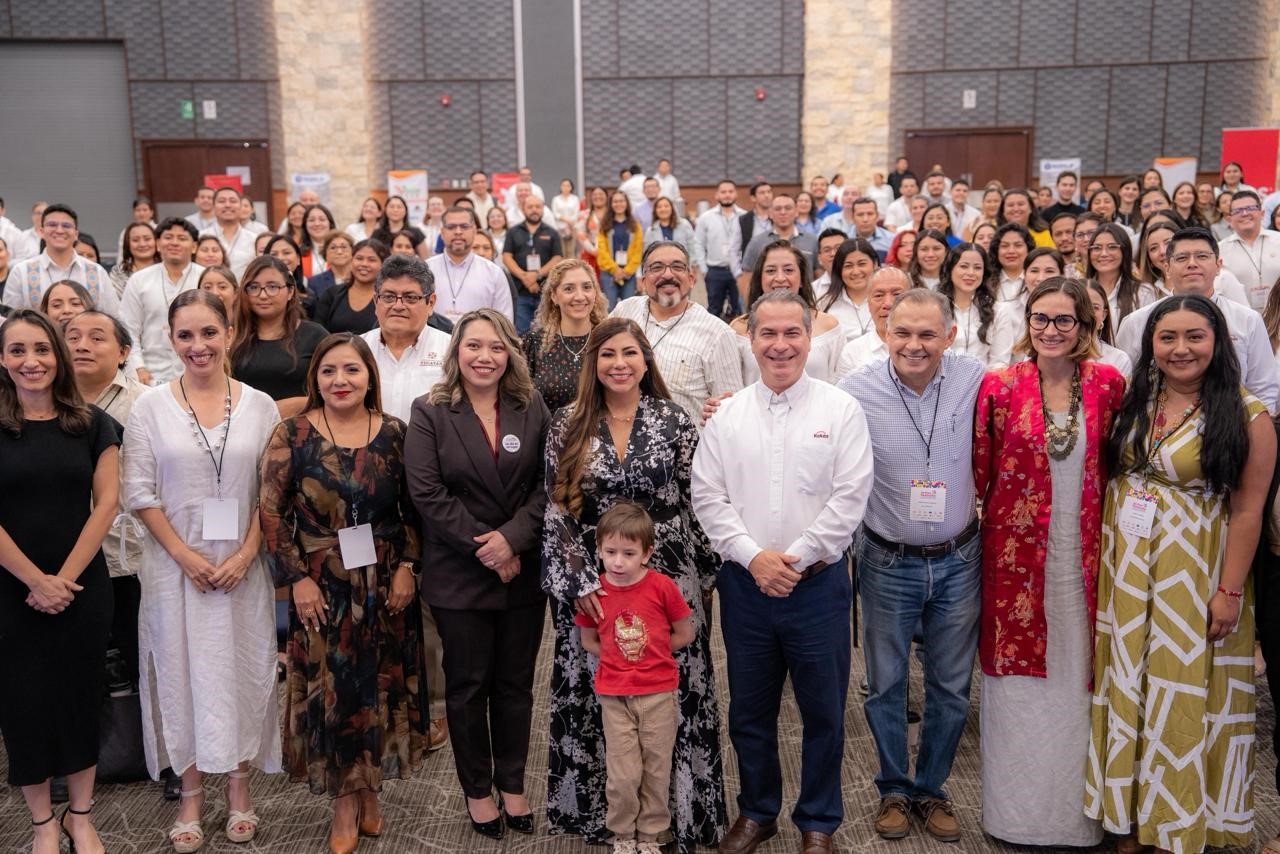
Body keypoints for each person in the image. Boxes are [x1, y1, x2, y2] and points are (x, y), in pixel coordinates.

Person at [1087, 294, 1276, 853]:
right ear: (1151, 343)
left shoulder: (1248, 416)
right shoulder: (1136, 398)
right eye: (1167, 337)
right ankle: (1129, 816)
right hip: (1126, 569)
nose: (1180, 349)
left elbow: (1248, 511)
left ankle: (1175, 822)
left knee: (1181, 691)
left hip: (1193, 572)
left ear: (1217, 342)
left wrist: (1229, 592)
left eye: (1194, 336)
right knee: (1129, 682)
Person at [692, 290, 873, 854]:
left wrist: (792, 558)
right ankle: (758, 811)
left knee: (824, 710)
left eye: (791, 333)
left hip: (817, 585)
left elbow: (850, 498)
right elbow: (708, 496)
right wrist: (755, 558)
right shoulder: (727, 415)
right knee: (749, 710)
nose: (779, 345)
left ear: (809, 337)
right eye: (767, 334)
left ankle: (819, 821)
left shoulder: (839, 409)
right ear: (750, 342)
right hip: (746, 586)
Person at [543, 316, 727, 851]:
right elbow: (555, 510)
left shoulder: (674, 420)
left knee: (675, 693)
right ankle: (606, 816)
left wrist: (708, 575)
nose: (618, 364)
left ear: (646, 361)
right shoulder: (567, 423)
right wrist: (578, 583)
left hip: (669, 577)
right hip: (596, 581)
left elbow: (701, 501)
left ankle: (681, 817)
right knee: (599, 693)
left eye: (629, 353)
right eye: (606, 355)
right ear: (592, 363)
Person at [122, 289, 281, 852]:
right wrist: (185, 556)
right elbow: (137, 491)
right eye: (185, 335)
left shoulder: (259, 405)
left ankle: (239, 791)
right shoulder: (149, 406)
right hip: (174, 571)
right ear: (171, 339)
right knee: (181, 674)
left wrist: (243, 554)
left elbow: (271, 492)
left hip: (243, 569)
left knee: (238, 667)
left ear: (228, 334)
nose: (198, 346)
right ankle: (190, 794)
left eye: (208, 333)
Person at [258, 332, 428, 854]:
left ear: (369, 376)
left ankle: (370, 787)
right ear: (316, 379)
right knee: (337, 694)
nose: (340, 381)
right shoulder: (293, 434)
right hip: (322, 584)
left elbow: (414, 509)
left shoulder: (397, 433)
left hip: (385, 582)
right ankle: (344, 802)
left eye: (351, 370)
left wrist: (408, 569)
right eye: (329, 371)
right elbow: (270, 513)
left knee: (380, 686)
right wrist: (297, 580)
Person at [973, 278, 1125, 846]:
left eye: (1065, 321)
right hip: (1015, 564)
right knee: (1016, 686)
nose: (1051, 330)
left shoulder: (1109, 384)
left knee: (1081, 680)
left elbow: (1124, 465)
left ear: (1086, 327)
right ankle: (1015, 818)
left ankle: (1077, 820)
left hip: (1089, 558)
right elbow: (979, 472)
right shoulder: (1000, 385)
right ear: (1026, 321)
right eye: (1041, 318)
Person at [839, 288, 986, 843]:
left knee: (950, 685)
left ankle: (932, 788)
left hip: (960, 557)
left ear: (950, 335)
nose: (914, 345)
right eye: (902, 332)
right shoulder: (855, 390)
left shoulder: (977, 379)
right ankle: (893, 788)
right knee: (886, 684)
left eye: (927, 334)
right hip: (886, 559)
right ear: (885, 333)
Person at [405, 309, 551, 842]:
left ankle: (512, 783)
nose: (484, 357)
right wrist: (489, 547)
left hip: (522, 569)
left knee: (515, 686)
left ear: (510, 352)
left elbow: (546, 485)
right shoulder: (431, 411)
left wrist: (512, 540)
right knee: (468, 689)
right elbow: (426, 494)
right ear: (456, 352)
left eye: (495, 347)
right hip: (460, 572)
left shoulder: (530, 405)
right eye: (473, 347)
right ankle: (477, 790)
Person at [0, 309, 121, 854]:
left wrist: (62, 581)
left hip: (80, 586)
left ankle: (81, 814)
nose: (32, 361)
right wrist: (34, 580)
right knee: (21, 703)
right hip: (8, 587)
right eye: (18, 351)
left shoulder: (93, 423)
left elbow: (108, 504)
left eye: (42, 350)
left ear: (58, 357)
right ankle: (42, 821)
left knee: (79, 696)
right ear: (2, 360)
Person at [575, 502, 694, 854]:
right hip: (614, 696)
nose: (617, 561)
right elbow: (587, 640)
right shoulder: (593, 592)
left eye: (628, 553)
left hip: (659, 693)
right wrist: (619, 657)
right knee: (623, 774)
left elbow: (684, 634)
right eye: (610, 552)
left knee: (657, 769)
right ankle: (623, 835)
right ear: (598, 550)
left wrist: (650, 654)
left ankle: (651, 834)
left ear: (647, 553)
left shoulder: (662, 587)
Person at [1116, 227, 1280, 412]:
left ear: (1218, 265)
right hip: (1160, 430)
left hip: (1233, 427)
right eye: (1182, 258)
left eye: (1202, 256)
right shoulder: (1137, 322)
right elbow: (1127, 386)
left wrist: (1255, 432)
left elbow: (1263, 387)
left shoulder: (1247, 320)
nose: (1192, 264)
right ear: (1167, 268)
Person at [610, 241, 744, 423]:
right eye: (657, 267)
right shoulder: (624, 312)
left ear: (691, 278)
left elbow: (731, 411)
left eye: (677, 267)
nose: (667, 274)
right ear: (643, 281)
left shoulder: (718, 334)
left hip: (685, 449)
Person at [230, 255, 329, 418]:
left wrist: (295, 405)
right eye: (254, 287)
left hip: (302, 430)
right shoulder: (233, 336)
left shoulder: (315, 336)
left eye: (272, 286)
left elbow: (333, 389)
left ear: (290, 291)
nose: (262, 295)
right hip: (245, 431)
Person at [730, 241, 843, 382]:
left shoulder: (828, 326)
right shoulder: (738, 328)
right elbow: (732, 388)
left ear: (802, 278)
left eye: (788, 270)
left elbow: (841, 384)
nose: (780, 278)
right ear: (760, 279)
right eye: (771, 271)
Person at [120, 217, 203, 386]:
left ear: (194, 246)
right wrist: (138, 366)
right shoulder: (139, 280)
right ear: (158, 244)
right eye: (168, 237)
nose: (174, 243)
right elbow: (128, 328)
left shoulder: (205, 278)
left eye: (182, 238)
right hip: (151, 374)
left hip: (199, 369)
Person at [523, 258, 608, 412]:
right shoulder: (534, 342)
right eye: (569, 289)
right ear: (554, 296)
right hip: (547, 434)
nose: (580, 296)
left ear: (595, 292)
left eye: (587, 287)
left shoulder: (607, 340)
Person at [4, 203, 119, 315]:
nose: (59, 230)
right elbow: (10, 321)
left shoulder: (96, 272)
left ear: (76, 234)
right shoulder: (21, 272)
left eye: (66, 226)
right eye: (52, 225)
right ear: (42, 232)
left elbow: (114, 317)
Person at [988, 247, 1065, 368]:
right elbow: (999, 362)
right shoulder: (1007, 310)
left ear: (1062, 274)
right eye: (1034, 271)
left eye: (1049, 271)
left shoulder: (1071, 311)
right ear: (1024, 274)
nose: (1041, 278)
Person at [835, 267, 912, 378]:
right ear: (868, 304)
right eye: (879, 296)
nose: (888, 304)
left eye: (897, 294)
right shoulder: (852, 353)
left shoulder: (929, 346)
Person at [502, 196, 563, 334]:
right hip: (520, 292)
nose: (534, 210)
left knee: (546, 332)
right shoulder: (513, 232)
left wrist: (536, 275)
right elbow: (507, 257)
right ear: (523, 209)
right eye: (530, 207)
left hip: (546, 293)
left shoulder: (552, 233)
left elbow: (557, 258)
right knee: (520, 332)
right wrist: (525, 277)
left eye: (537, 207)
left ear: (543, 209)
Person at [1220, 190, 1280, 310]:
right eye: (1238, 211)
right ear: (1229, 219)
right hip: (1240, 324)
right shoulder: (1220, 250)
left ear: (1262, 213)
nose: (1245, 213)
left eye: (1251, 208)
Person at [693, 179, 745, 321]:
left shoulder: (745, 216)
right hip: (715, 271)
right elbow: (698, 243)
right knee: (713, 312)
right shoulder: (706, 218)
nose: (727, 195)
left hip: (739, 271)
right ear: (717, 195)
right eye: (723, 192)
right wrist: (704, 269)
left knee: (740, 311)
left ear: (736, 194)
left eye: (730, 191)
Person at [1087, 223, 1156, 324]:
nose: (1104, 254)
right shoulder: (1079, 290)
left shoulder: (1143, 292)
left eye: (1112, 247)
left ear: (1125, 251)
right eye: (1097, 248)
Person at [937, 242, 994, 363]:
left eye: (977, 268)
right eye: (964, 266)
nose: (971, 273)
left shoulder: (997, 310)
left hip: (984, 379)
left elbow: (999, 361)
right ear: (950, 268)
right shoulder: (934, 307)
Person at [312, 238, 383, 335]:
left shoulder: (387, 299)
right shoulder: (332, 294)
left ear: (383, 264)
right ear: (351, 260)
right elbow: (317, 333)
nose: (364, 264)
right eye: (359, 258)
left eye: (372, 260)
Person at [818, 237, 878, 342]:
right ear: (839, 270)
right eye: (848, 266)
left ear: (875, 264)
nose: (856, 271)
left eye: (862, 264)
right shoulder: (824, 305)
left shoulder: (889, 301)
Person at [597, 191, 644, 311]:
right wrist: (615, 270)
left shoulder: (635, 225)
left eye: (621, 201)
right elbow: (602, 250)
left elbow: (638, 250)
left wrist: (626, 271)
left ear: (626, 203)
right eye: (615, 201)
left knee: (629, 309)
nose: (619, 204)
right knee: (609, 309)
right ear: (611, 204)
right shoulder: (604, 224)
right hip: (608, 273)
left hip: (629, 274)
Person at [199, 187, 255, 278]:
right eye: (222, 201)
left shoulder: (253, 239)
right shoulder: (200, 237)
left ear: (241, 206)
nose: (228, 205)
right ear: (213, 206)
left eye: (233, 201)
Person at [1084, 278, 1134, 376]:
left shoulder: (1119, 359)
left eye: (1095, 307)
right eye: (1080, 306)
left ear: (1104, 314)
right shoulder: (1054, 353)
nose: (1087, 312)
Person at [306, 230, 355, 308]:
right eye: (333, 248)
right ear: (325, 254)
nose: (339, 252)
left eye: (344, 247)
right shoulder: (314, 282)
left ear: (353, 252)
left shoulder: (361, 279)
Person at [110, 221, 159, 298]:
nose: (142, 244)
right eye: (135, 240)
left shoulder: (168, 269)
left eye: (147, 239)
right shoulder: (118, 271)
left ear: (157, 242)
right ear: (127, 244)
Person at [576, 186, 609, 273]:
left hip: (609, 256)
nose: (598, 196)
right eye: (595, 194)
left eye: (601, 194)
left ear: (606, 196)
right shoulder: (584, 214)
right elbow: (580, 235)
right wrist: (594, 251)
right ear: (591, 198)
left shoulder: (612, 215)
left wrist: (602, 252)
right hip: (589, 255)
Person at [299, 205, 337, 278]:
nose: (317, 224)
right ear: (305, 225)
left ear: (330, 224)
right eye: (311, 220)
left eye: (322, 219)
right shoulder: (298, 254)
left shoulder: (343, 251)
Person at [552, 179, 581, 255]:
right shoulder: (556, 199)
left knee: (571, 252)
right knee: (561, 252)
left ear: (571, 187)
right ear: (560, 187)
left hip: (572, 227)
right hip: (559, 228)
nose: (565, 187)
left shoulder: (575, 199)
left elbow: (576, 213)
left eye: (568, 185)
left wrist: (569, 224)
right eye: (563, 185)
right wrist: (565, 220)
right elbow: (555, 213)